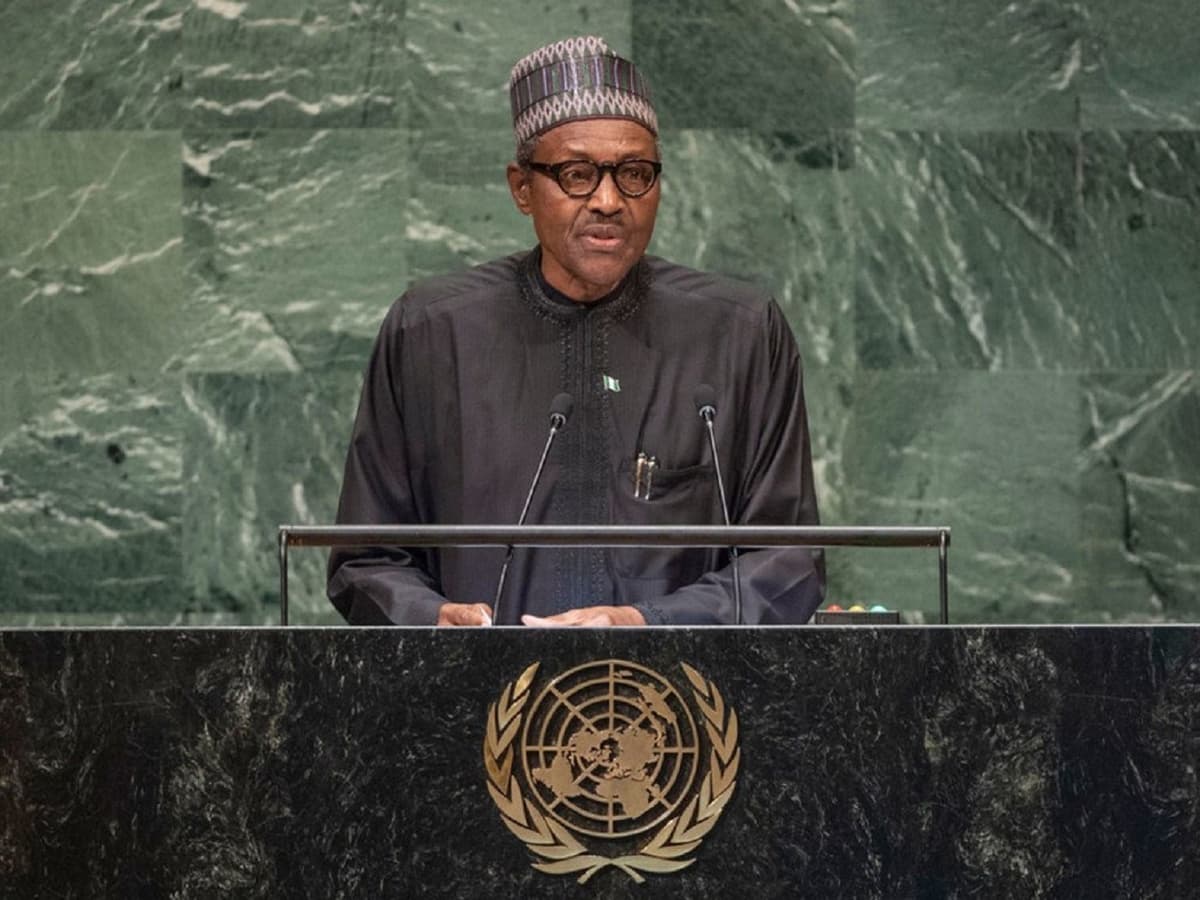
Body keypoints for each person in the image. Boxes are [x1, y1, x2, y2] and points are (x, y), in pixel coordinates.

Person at [327, 35, 823, 627]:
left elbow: (787, 561)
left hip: (684, 704)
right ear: (521, 188)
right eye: (577, 174)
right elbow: (366, 558)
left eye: (635, 173)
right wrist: (432, 618)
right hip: (474, 701)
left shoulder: (739, 334)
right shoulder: (433, 332)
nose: (610, 200)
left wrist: (644, 623)